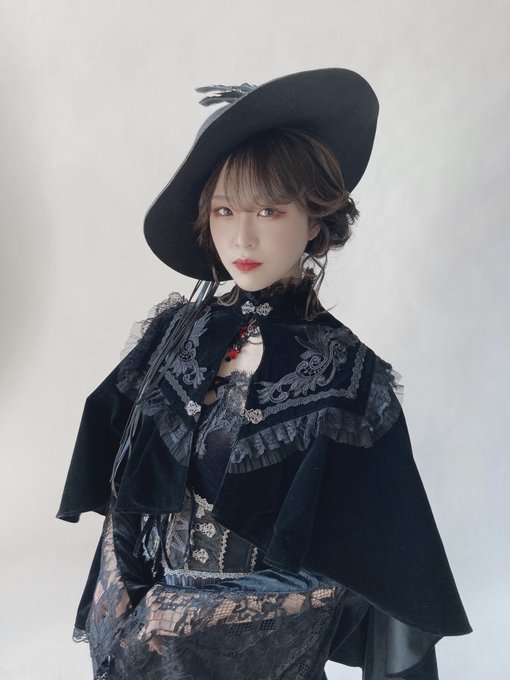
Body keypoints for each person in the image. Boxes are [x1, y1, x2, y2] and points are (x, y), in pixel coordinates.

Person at [57, 69, 471, 680]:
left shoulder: (347, 378)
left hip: (262, 657)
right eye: (224, 210)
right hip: (145, 652)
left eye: (269, 210)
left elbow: (381, 570)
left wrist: (186, 619)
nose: (242, 237)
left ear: (315, 219)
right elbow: (125, 491)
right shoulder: (174, 338)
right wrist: (129, 607)